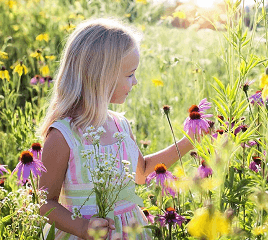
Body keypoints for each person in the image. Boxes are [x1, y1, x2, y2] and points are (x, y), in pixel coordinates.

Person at [38, 18, 195, 240]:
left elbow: (141, 173)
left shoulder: (120, 125)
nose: (136, 81)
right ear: (102, 78)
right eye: (130, 74)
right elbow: (45, 203)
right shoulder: (64, 135)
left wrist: (189, 141)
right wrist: (83, 227)